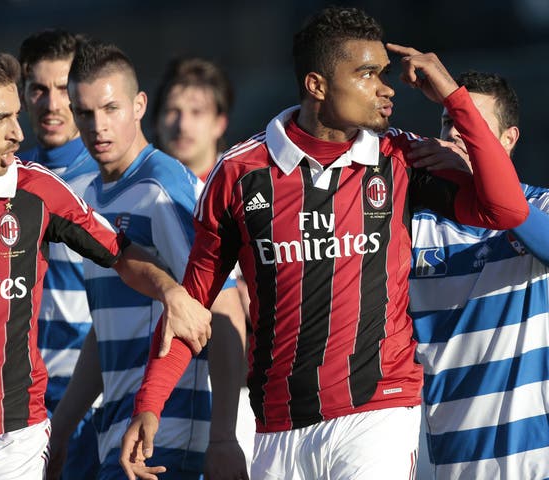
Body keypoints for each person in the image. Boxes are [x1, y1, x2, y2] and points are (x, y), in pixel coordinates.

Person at [120, 6, 531, 480]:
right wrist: (149, 402)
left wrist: (452, 94)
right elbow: (192, 304)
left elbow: (507, 210)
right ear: (317, 85)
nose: (387, 87)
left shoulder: (400, 157)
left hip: (378, 417)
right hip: (277, 429)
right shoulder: (239, 174)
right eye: (368, 74)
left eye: (383, 73)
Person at [0, 47, 210, 479]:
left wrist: (171, 292)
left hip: (14, 441)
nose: (17, 133)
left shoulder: (35, 191)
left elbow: (120, 253)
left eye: (16, 116)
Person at [46, 40, 246, 480]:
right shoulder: (91, 196)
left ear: (139, 106)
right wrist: (59, 430)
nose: (98, 126)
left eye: (111, 108)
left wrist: (224, 439)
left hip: (171, 438)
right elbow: (108, 331)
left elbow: (225, 308)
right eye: (85, 113)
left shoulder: (162, 186)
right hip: (117, 438)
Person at [409, 71, 549, 479]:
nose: (454, 134)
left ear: (508, 140)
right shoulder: (413, 223)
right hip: (437, 463)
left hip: (530, 463)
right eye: (449, 121)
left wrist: (478, 180)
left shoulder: (538, 206)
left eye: (470, 123)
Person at [152, 56, 255, 475]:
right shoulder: (147, 198)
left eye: (197, 112)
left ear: (220, 122)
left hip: (235, 399)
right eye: (173, 111)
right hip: (158, 403)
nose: (182, 124)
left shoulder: (250, 193)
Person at [18, 28, 100, 480]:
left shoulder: (109, 181)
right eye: (39, 89)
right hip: (18, 400)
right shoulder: (6, 180)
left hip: (88, 395)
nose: (52, 105)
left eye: (64, 89)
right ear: (23, 95)